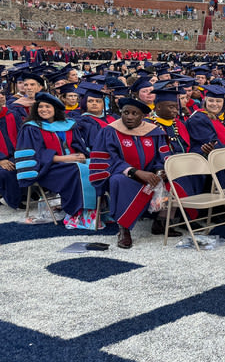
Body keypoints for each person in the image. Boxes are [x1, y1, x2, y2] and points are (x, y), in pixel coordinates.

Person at [88, 99, 184, 248]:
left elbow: (163, 156)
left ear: (142, 116)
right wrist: (135, 172)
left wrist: (159, 172)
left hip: (150, 174)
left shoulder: (154, 132)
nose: (129, 117)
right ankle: (124, 228)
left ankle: (161, 222)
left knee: (175, 180)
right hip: (122, 173)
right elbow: (108, 159)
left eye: (135, 114)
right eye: (126, 112)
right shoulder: (110, 131)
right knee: (118, 181)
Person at [14, 92, 97, 222]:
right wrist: (65, 159)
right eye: (40, 107)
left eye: (48, 106)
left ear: (55, 109)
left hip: (70, 163)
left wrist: (81, 154)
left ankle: (97, 211)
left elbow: (77, 144)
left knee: (95, 165)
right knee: (76, 170)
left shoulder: (68, 125)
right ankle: (78, 213)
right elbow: (35, 154)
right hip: (47, 168)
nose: (44, 110)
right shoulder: (31, 128)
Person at [0, 86, 21, 209]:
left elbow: (22, 138)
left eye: (2, 93)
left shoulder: (12, 114)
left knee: (14, 167)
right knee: (5, 173)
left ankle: (20, 197)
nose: (2, 96)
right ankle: (14, 201)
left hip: (15, 155)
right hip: (2, 159)